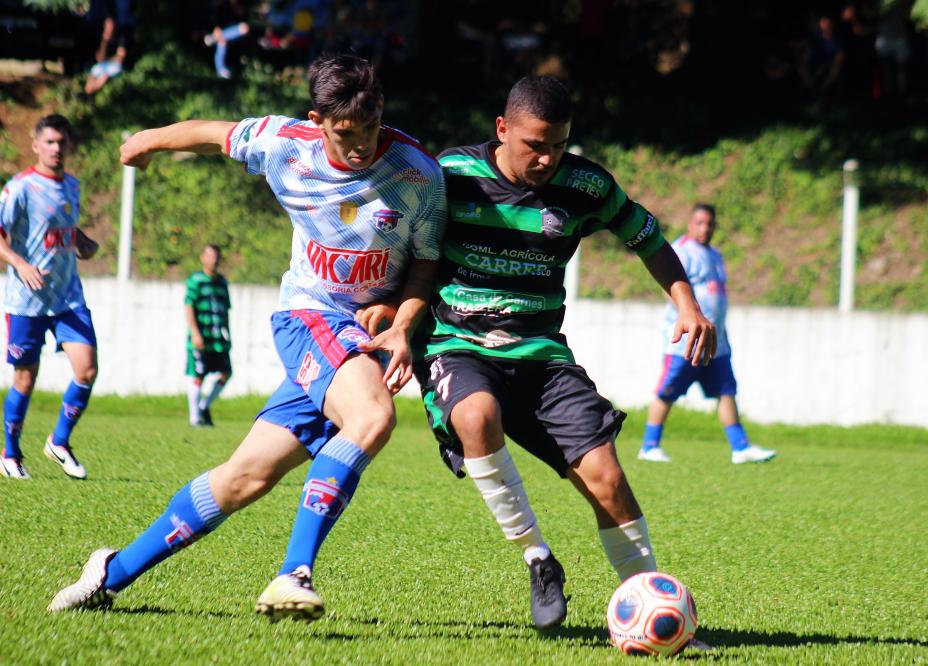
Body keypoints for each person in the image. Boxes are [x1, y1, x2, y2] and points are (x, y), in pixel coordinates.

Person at [49, 53, 446, 621]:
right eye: (344, 132)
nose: (359, 145)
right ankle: (294, 573)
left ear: (381, 108)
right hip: (309, 316)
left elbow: (426, 265)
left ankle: (109, 574)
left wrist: (402, 321)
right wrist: (147, 140)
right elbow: (214, 132)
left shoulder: (417, 174)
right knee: (373, 418)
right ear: (317, 120)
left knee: (245, 478)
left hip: (362, 340)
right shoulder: (286, 143)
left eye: (369, 126)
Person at [412, 75, 716, 630]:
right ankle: (538, 559)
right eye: (534, 144)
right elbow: (405, 247)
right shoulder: (451, 177)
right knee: (477, 416)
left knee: (607, 478)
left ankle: (656, 615)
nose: (547, 158)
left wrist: (688, 306)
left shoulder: (586, 186)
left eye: (558, 145)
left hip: (543, 357)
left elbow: (648, 239)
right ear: (502, 129)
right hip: (458, 346)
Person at [0, 114, 100, 481]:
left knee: (87, 369)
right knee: (25, 379)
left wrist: (82, 241)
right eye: (50, 142)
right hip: (26, 301)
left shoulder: (72, 185)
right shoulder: (20, 188)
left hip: (67, 298)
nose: (57, 149)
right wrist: (19, 263)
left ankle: (59, 442)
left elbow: (65, 228)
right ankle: (10, 454)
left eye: (62, 142)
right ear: (36, 144)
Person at [638, 204, 776, 465]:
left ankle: (740, 447)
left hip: (716, 342)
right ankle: (649, 446)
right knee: (667, 391)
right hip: (686, 342)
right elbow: (668, 287)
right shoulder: (681, 251)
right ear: (690, 223)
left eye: (709, 223)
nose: (705, 228)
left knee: (726, 391)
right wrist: (687, 316)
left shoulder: (715, 255)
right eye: (699, 223)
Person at [185, 243, 232, 427]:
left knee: (226, 373)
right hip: (201, 336)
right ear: (202, 258)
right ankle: (194, 418)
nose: (214, 260)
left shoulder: (222, 282)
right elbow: (188, 306)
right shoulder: (196, 280)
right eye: (210, 256)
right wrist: (195, 333)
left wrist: (227, 332)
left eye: (216, 257)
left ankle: (204, 405)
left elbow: (226, 310)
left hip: (217, 339)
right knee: (198, 375)